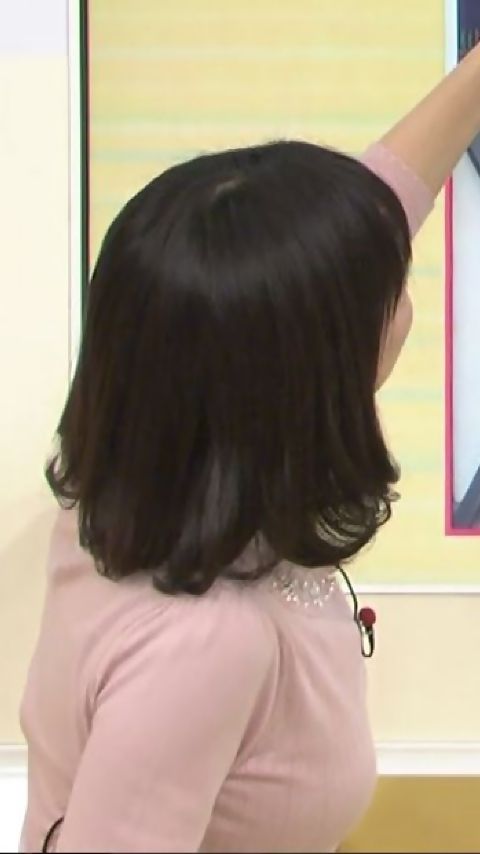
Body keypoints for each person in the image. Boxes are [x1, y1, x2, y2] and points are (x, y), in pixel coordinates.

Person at [20, 41, 480, 854]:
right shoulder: (203, 646)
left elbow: (364, 220)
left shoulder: (141, 477)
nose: (396, 268)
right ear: (308, 367)